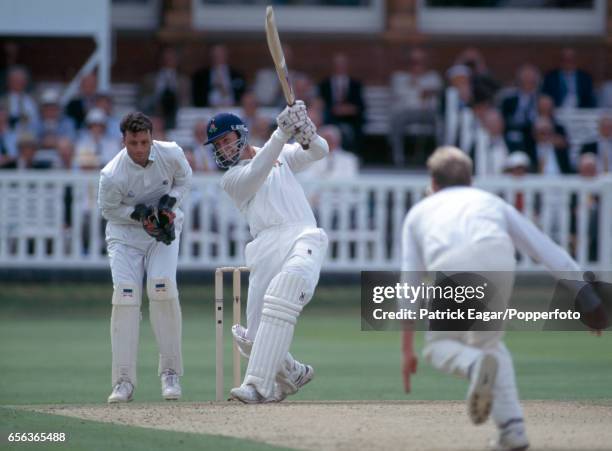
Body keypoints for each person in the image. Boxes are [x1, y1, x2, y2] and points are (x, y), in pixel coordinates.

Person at [401, 146, 605, 451]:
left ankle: (474, 367)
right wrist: (584, 292)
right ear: (470, 180)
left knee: (440, 346)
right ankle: (512, 431)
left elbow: (410, 283)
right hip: (498, 258)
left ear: (434, 182)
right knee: (491, 346)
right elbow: (543, 248)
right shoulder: (489, 201)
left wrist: (407, 349)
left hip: (452, 263)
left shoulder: (418, 213)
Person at [205, 101, 329, 403]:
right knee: (252, 339)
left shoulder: (280, 155)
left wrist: (307, 132)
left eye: (226, 139)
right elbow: (256, 174)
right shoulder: (231, 180)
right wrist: (282, 133)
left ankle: (257, 386)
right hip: (264, 247)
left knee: (285, 292)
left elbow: (319, 152)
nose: (222, 147)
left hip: (303, 234)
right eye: (217, 144)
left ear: (240, 135)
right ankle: (294, 374)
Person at [98, 112, 192, 403]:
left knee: (162, 286)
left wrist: (168, 204)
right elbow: (108, 210)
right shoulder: (112, 174)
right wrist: (139, 215)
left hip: (162, 232)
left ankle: (171, 374)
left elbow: (185, 180)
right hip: (125, 236)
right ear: (123, 140)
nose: (139, 149)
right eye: (133, 143)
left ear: (152, 137)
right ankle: (123, 382)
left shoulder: (171, 153)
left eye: (144, 142)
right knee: (126, 296)